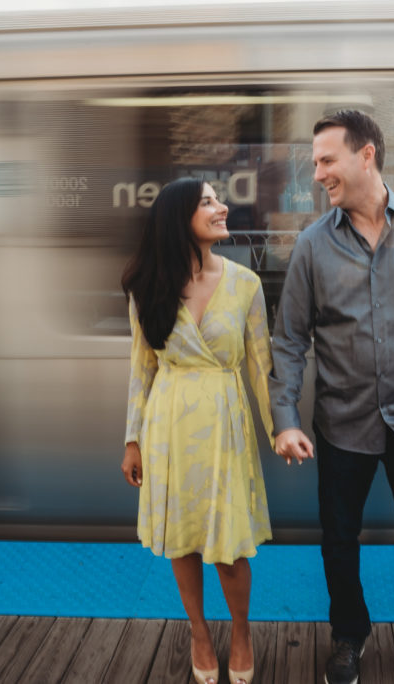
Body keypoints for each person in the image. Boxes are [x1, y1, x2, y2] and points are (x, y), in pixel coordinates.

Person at [269, 110, 394, 684]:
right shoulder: (313, 245)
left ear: (366, 156)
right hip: (340, 425)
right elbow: (288, 341)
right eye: (315, 163)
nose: (318, 174)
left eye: (327, 160)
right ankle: (348, 637)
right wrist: (284, 418)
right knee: (339, 541)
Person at [121, 177, 274, 684]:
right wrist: (132, 439)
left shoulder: (246, 284)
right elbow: (142, 369)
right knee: (182, 540)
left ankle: (242, 630)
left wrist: (280, 429)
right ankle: (200, 633)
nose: (221, 207)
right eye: (207, 201)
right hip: (167, 427)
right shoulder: (147, 288)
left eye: (217, 199)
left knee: (229, 548)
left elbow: (260, 368)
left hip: (225, 425)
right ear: (177, 218)